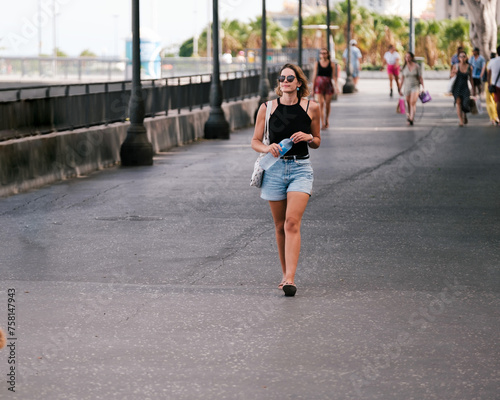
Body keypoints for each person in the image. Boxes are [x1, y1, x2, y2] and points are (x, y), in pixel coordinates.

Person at [251, 63, 321, 297]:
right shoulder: (267, 108)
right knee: (280, 225)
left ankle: (290, 277)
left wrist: (309, 137)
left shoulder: (312, 107)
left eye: (290, 78)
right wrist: (267, 146)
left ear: (299, 82)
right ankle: (284, 274)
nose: (285, 81)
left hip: (301, 168)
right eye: (282, 78)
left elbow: (318, 140)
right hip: (274, 170)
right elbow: (255, 141)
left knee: (292, 222)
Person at [312, 48, 337, 129]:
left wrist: (336, 87)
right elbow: (314, 76)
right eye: (321, 53)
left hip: (328, 85)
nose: (323, 54)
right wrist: (313, 89)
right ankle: (322, 122)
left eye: (325, 53)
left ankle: (327, 119)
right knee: (321, 104)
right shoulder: (317, 63)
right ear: (319, 54)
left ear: (327, 54)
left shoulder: (331, 64)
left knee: (327, 104)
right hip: (319, 85)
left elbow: (333, 76)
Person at [399, 51, 424, 126]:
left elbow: (420, 78)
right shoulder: (404, 67)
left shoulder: (417, 66)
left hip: (415, 86)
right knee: (408, 102)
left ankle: (411, 118)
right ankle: (409, 115)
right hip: (407, 87)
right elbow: (402, 79)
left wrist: (423, 87)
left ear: (412, 58)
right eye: (406, 57)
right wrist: (399, 89)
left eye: (409, 57)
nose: (408, 59)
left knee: (412, 102)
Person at [450, 50, 473, 127]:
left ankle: (464, 115)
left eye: (464, 56)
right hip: (457, 87)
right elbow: (450, 76)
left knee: (465, 103)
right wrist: (454, 72)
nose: (462, 58)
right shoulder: (455, 66)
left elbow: (471, 79)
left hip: (465, 87)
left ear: (466, 58)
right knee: (458, 103)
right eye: (460, 56)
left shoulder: (469, 67)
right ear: (458, 58)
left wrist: (473, 90)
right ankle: (460, 120)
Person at [485, 52, 499, 125]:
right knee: (496, 102)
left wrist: (488, 84)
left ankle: (494, 117)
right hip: (496, 85)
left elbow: (487, 74)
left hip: (491, 85)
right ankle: (496, 117)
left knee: (490, 102)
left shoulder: (490, 63)